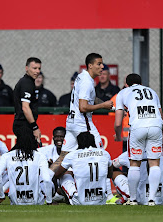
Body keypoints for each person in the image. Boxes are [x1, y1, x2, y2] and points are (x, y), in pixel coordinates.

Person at [49, 53, 115, 204]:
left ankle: (44, 183)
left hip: (71, 123)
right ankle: (109, 196)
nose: (102, 67)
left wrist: (105, 103)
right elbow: (84, 107)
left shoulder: (82, 77)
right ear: (90, 65)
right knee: (100, 154)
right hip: (82, 124)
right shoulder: (86, 81)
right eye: (99, 64)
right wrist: (103, 106)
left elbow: (88, 99)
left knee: (63, 157)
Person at [114, 73, 163, 206]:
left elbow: (118, 122)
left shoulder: (123, 92)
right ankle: (152, 199)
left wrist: (118, 136)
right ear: (141, 83)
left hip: (137, 127)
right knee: (154, 163)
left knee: (134, 164)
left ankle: (133, 199)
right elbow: (160, 113)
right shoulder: (151, 91)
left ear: (126, 84)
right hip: (156, 125)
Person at [0, 126, 53, 205]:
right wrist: (49, 201)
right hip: (36, 201)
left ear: (17, 142)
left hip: (15, 200)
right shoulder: (40, 156)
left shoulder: (7, 156)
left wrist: (1, 195)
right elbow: (47, 180)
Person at [54, 131, 113, 205]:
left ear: (78, 143)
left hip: (80, 201)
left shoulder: (72, 155)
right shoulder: (105, 153)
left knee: (65, 175)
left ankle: (67, 200)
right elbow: (110, 175)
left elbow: (57, 175)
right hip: (101, 200)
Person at [13, 57, 42, 142]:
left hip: (23, 124)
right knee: (27, 152)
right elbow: (25, 107)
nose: (37, 71)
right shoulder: (27, 83)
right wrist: (35, 127)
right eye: (34, 68)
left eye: (39, 68)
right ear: (27, 68)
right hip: (24, 125)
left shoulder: (29, 82)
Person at [38, 126, 66, 202]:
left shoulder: (71, 151)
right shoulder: (47, 150)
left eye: (62, 137)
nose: (59, 139)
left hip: (65, 183)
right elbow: (34, 154)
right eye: (57, 137)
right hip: (52, 185)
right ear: (53, 138)